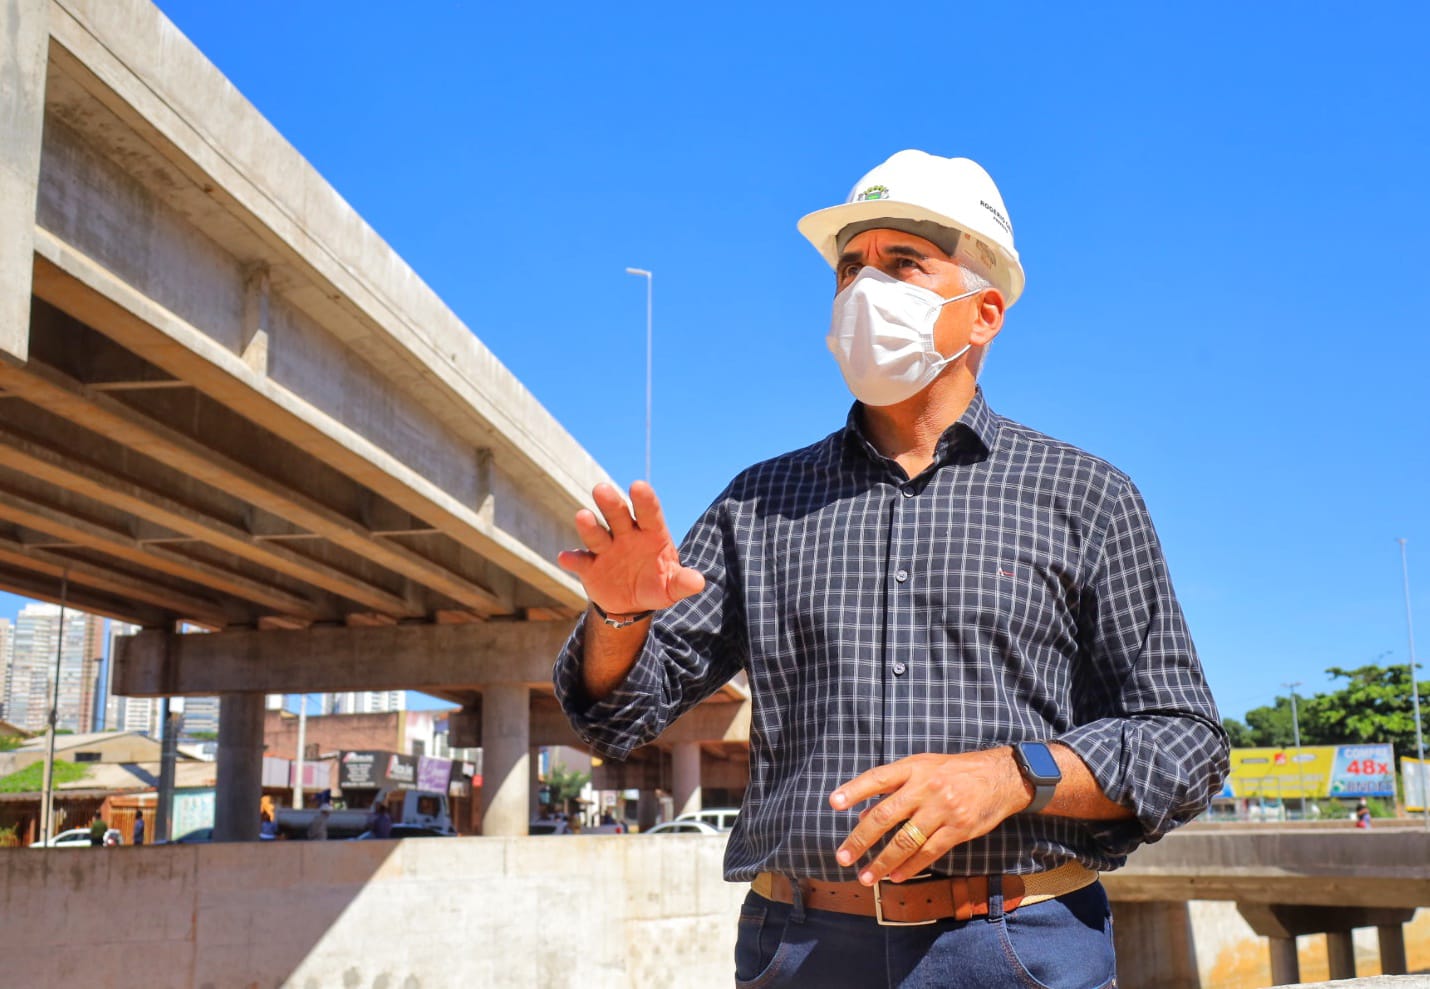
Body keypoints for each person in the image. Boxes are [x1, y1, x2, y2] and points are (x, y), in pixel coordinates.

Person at [553, 149, 1230, 987]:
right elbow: (615, 719)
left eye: (903, 262)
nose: (865, 290)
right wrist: (618, 618)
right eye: (850, 267)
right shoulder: (760, 501)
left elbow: (1186, 743)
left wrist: (1016, 773)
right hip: (798, 950)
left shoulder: (1086, 495)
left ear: (983, 313)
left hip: (1016, 946)